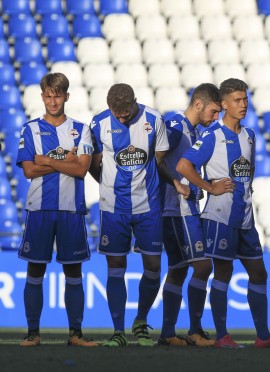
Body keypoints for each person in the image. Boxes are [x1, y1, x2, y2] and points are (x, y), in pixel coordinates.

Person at [176, 78, 270, 348]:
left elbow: (247, 174)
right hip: (220, 218)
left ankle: (262, 336)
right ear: (223, 104)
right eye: (237, 100)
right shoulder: (212, 136)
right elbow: (183, 165)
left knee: (259, 273)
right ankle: (223, 335)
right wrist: (209, 187)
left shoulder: (249, 135)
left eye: (245, 99)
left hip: (246, 218)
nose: (243, 105)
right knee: (222, 273)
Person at [15, 72, 97, 347]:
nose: (53, 101)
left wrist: (45, 160)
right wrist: (63, 160)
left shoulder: (82, 129)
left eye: (58, 95)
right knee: (35, 271)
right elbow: (28, 170)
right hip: (39, 210)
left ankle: (75, 333)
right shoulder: (30, 129)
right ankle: (33, 333)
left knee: (73, 273)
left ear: (66, 96)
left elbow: (82, 169)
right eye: (48, 96)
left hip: (71, 211)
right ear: (42, 97)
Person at [89, 83, 169, 347]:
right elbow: (94, 163)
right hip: (114, 208)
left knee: (154, 267)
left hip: (148, 205)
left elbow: (158, 158)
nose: (121, 118)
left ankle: (141, 321)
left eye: (126, 113)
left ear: (135, 101)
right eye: (117, 114)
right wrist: (107, 184)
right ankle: (118, 331)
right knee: (115, 267)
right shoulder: (99, 123)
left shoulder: (154, 119)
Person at [156, 84, 222, 346]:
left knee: (178, 270)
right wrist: (175, 183)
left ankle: (168, 334)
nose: (215, 117)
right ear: (198, 104)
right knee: (202, 265)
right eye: (214, 111)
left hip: (186, 209)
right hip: (175, 210)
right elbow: (155, 159)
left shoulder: (195, 132)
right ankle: (192, 330)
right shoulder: (175, 126)